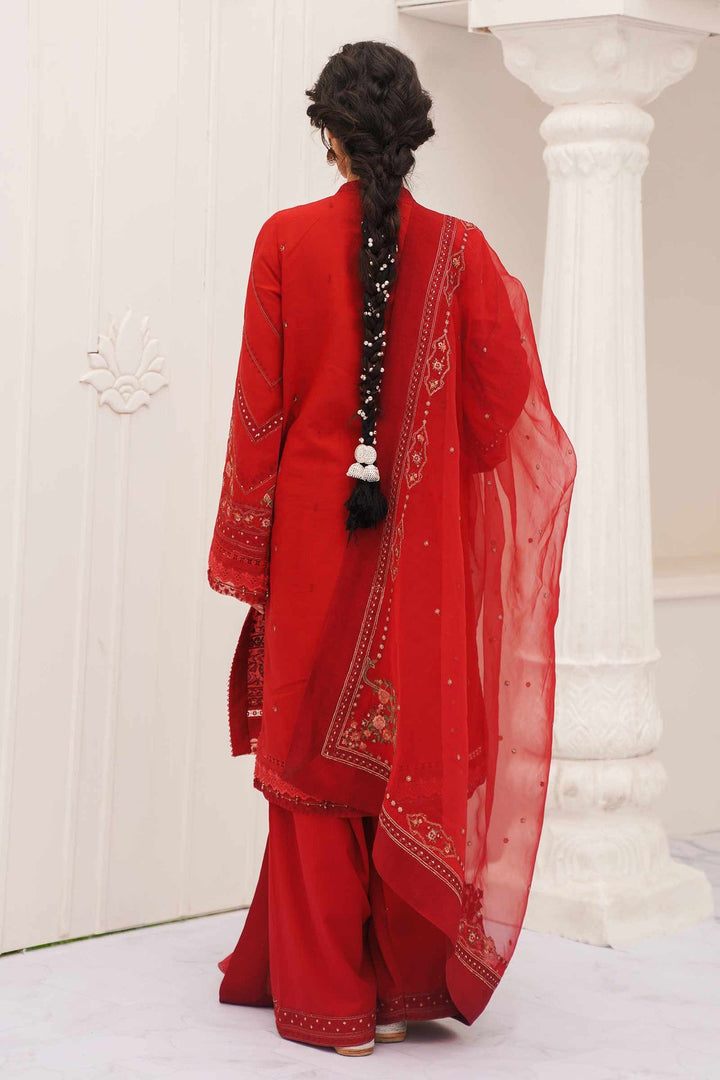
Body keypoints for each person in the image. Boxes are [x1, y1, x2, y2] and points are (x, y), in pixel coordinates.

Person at [207, 40, 577, 1056]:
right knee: (400, 751)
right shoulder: (463, 253)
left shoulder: (284, 241)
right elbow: (502, 416)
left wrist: (245, 553)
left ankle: (330, 1003)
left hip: (312, 550)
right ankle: (403, 985)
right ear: (411, 138)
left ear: (329, 137)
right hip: (418, 562)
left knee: (309, 760)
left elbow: (258, 417)